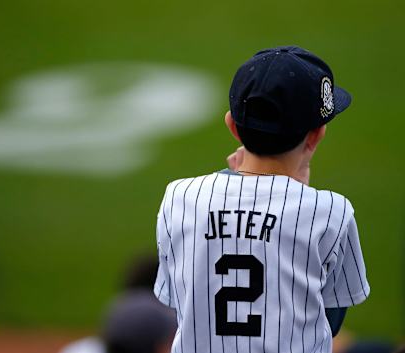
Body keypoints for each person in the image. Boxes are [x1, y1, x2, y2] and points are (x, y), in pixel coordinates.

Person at [153, 46, 370, 353]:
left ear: (232, 126)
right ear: (316, 135)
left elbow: (182, 304)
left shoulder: (178, 197)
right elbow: (328, 321)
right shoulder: (332, 212)